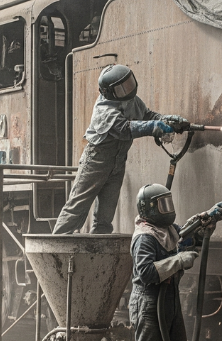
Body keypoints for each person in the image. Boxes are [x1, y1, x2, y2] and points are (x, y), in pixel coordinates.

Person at [52, 65, 191, 234]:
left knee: (106, 214)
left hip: (117, 162)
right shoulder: (104, 110)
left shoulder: (131, 100)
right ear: (108, 92)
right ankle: (57, 247)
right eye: (122, 88)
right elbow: (124, 129)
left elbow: (147, 115)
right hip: (96, 161)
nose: (128, 90)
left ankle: (98, 251)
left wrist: (166, 119)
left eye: (129, 84)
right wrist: (156, 126)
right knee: (77, 207)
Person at [126, 183, 210, 341]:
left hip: (169, 300)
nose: (168, 209)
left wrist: (205, 224)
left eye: (168, 203)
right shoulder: (145, 236)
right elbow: (147, 273)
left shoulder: (167, 231)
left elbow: (184, 238)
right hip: (149, 303)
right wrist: (179, 260)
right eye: (162, 205)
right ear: (148, 209)